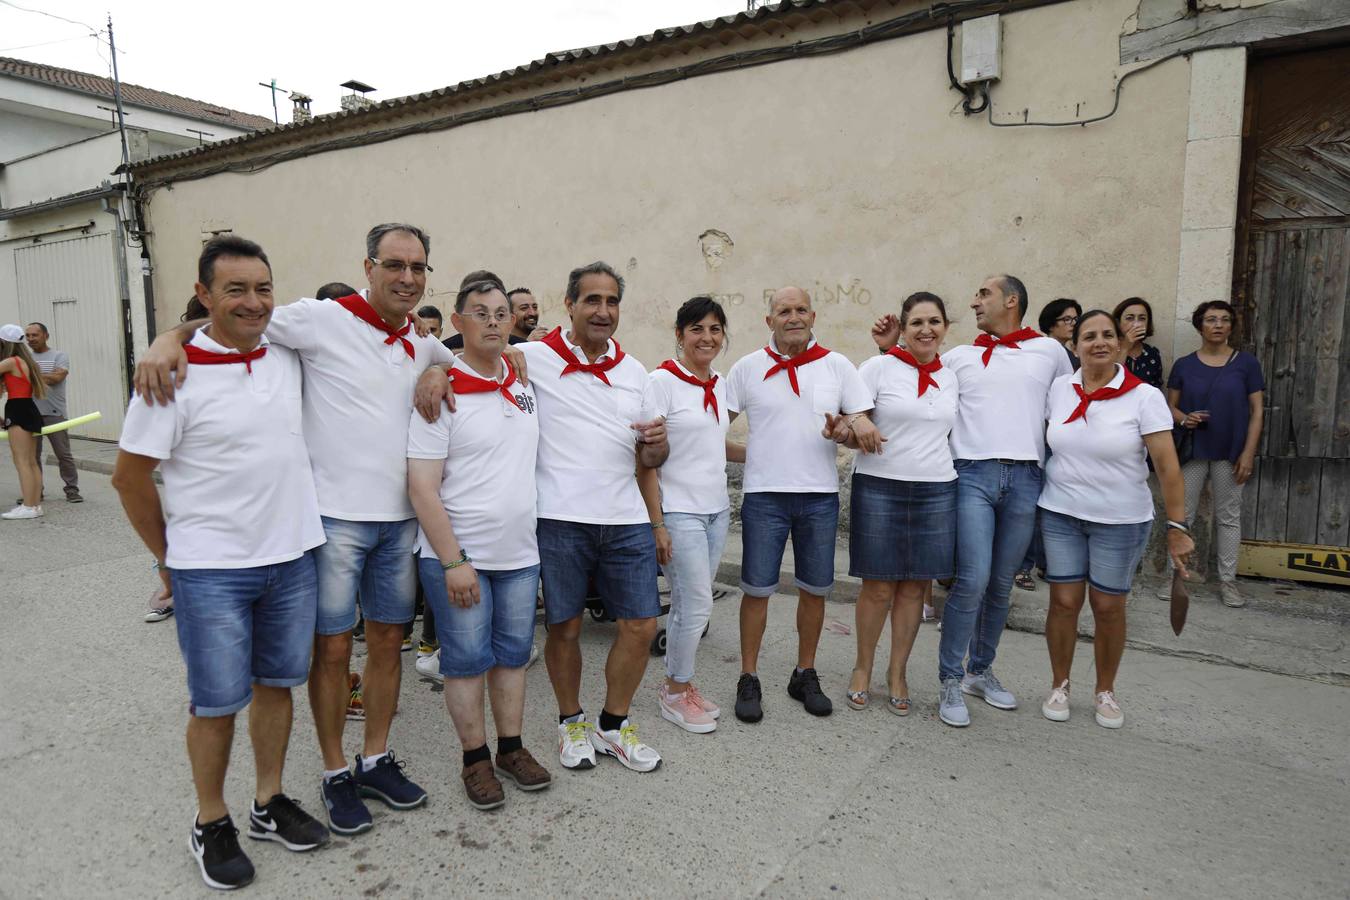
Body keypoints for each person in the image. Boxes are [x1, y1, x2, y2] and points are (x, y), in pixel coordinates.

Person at [136, 223, 455, 836]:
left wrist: (443, 368)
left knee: (389, 645)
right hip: (332, 522)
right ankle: (336, 772)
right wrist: (166, 339)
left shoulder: (419, 337)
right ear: (368, 267)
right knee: (332, 651)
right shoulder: (320, 318)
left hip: (399, 524)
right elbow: (234, 320)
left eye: (418, 267)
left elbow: (460, 357)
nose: (407, 278)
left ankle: (375, 759)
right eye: (395, 265)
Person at [112, 236, 330, 890]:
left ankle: (267, 802)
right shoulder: (170, 375)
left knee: (276, 687)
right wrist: (169, 560)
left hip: (292, 559)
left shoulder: (287, 354)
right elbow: (128, 479)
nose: (254, 302)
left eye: (263, 288)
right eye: (235, 289)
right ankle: (211, 820)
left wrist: (167, 332)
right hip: (211, 572)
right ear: (204, 295)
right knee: (214, 704)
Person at [486, 261, 668, 772]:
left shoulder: (636, 373)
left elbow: (649, 460)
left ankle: (613, 724)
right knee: (563, 627)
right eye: (592, 300)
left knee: (640, 624)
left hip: (626, 518)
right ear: (569, 304)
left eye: (611, 302)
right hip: (560, 518)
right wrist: (436, 370)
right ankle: (571, 722)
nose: (603, 311)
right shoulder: (531, 357)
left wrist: (659, 448)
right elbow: (473, 360)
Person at [877, 275, 1072, 727]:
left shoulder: (1050, 353)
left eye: (983, 294)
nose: (975, 302)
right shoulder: (960, 357)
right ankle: (949, 678)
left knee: (1002, 582)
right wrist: (891, 349)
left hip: (1026, 475)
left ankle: (979, 671)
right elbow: (915, 378)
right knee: (972, 578)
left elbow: (1068, 405)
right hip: (971, 474)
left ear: (1012, 300)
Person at [407, 277, 551, 809]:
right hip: (460, 558)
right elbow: (421, 486)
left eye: (500, 313)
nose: (492, 321)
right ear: (459, 322)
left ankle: (511, 748)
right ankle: (474, 760)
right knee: (465, 662)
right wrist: (454, 561)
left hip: (519, 555)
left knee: (512, 657)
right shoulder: (441, 392)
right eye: (480, 313)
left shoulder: (521, 380)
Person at [727, 286, 878, 722]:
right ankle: (749, 676)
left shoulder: (837, 366)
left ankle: (804, 672)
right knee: (756, 590)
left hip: (818, 498)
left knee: (814, 590)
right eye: (783, 311)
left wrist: (844, 432)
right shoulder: (747, 368)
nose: (792, 317)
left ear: (813, 317)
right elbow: (714, 421)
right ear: (768, 320)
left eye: (800, 310)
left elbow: (858, 424)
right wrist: (743, 454)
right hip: (763, 497)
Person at [1039, 309, 1194, 728]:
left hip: (1121, 520)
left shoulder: (1143, 396)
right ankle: (1060, 684)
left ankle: (1105, 690)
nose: (1099, 342)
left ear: (1121, 345)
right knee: (1064, 601)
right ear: (1075, 347)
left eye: (1108, 335)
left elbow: (1167, 467)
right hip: (1061, 513)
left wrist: (1178, 529)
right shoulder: (1059, 389)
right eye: (1089, 336)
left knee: (1107, 606)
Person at [842, 293, 958, 716]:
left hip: (936, 490)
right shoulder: (877, 368)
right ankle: (862, 668)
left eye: (934, 321)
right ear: (903, 330)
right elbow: (848, 414)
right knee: (877, 587)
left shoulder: (953, 374)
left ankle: (898, 673)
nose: (926, 330)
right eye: (917, 323)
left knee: (913, 589)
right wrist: (859, 420)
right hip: (880, 485)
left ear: (946, 327)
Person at [638, 296, 740, 734]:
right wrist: (657, 522)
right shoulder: (660, 381)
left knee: (689, 604)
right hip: (679, 514)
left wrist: (764, 455)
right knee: (695, 606)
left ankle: (681, 685)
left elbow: (713, 444)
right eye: (697, 328)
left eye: (715, 329)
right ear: (680, 334)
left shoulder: (719, 382)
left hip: (717, 511)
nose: (707, 337)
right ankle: (675, 693)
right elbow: (644, 459)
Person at [1165, 300, 1265, 608]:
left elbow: (1257, 411)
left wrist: (1248, 453)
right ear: (1200, 326)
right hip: (1194, 451)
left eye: (1224, 320)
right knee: (1183, 516)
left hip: (1230, 453)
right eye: (1211, 320)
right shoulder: (1184, 364)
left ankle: (1228, 582)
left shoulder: (1246, 364)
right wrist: (1185, 418)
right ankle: (1176, 579)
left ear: (1232, 326)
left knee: (1229, 517)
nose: (1218, 325)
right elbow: (1168, 407)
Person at [24, 323, 81, 502]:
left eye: (35, 335)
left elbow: (57, 378)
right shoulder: (25, 359)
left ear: (46, 336)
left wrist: (30, 375)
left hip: (54, 413)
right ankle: (35, 491)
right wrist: (44, 375)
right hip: (31, 414)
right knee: (32, 457)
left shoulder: (59, 356)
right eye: (28, 336)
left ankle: (72, 490)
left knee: (63, 454)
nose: (31, 339)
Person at [1, 323, 47, 519]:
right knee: (30, 462)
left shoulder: (11, 361)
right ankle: (34, 505)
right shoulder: (24, 360)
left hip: (18, 409)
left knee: (22, 462)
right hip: (27, 408)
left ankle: (29, 506)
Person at [1114, 297, 1164, 390]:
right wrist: (1125, 348)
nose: (1136, 324)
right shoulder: (1108, 349)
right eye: (1129, 318)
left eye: (1142, 318)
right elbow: (1109, 381)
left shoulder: (1152, 354)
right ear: (1118, 322)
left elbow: (1156, 388)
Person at [1038, 298, 1082, 370]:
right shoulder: (1040, 352)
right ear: (1050, 325)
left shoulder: (1071, 356)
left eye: (1076, 319)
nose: (1074, 323)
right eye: (1067, 319)